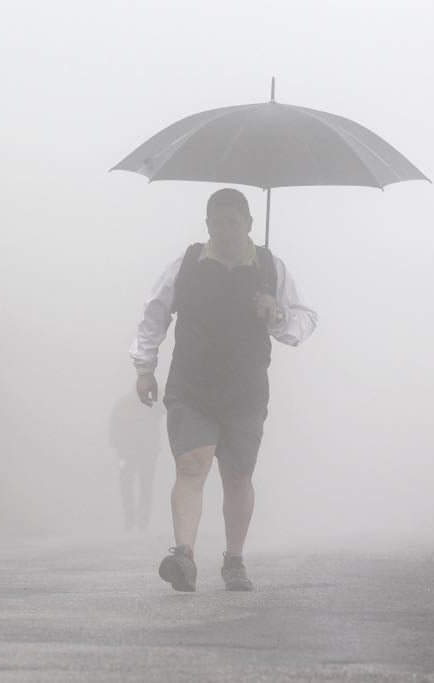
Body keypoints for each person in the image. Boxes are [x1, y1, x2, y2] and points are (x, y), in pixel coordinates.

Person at [129, 188, 317, 592]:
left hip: (246, 390)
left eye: (235, 221)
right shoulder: (187, 264)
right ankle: (184, 555)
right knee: (191, 466)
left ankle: (234, 559)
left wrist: (276, 314)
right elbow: (154, 314)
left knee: (236, 476)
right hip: (191, 385)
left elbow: (304, 322)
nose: (227, 229)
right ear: (208, 225)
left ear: (249, 223)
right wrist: (145, 368)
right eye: (218, 221)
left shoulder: (270, 268)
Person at [108, 392, 163, 532]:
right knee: (129, 487)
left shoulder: (151, 404)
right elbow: (113, 427)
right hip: (128, 455)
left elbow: (161, 414)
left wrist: (155, 450)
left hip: (144, 456)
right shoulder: (124, 404)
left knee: (143, 488)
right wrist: (117, 445)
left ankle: (140, 522)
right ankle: (131, 520)